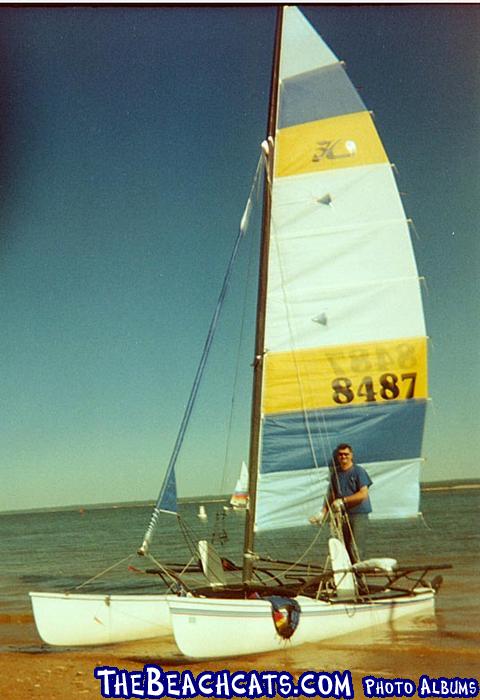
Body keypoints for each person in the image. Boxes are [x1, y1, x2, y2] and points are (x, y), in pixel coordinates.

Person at [309, 443, 372, 563]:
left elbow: (363, 494)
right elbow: (331, 495)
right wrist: (322, 513)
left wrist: (343, 501)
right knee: (344, 549)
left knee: (355, 549)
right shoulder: (336, 474)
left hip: (358, 514)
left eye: (346, 454)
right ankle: (347, 577)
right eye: (340, 454)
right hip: (342, 515)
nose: (343, 457)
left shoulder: (359, 471)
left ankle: (360, 579)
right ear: (337, 457)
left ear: (351, 455)